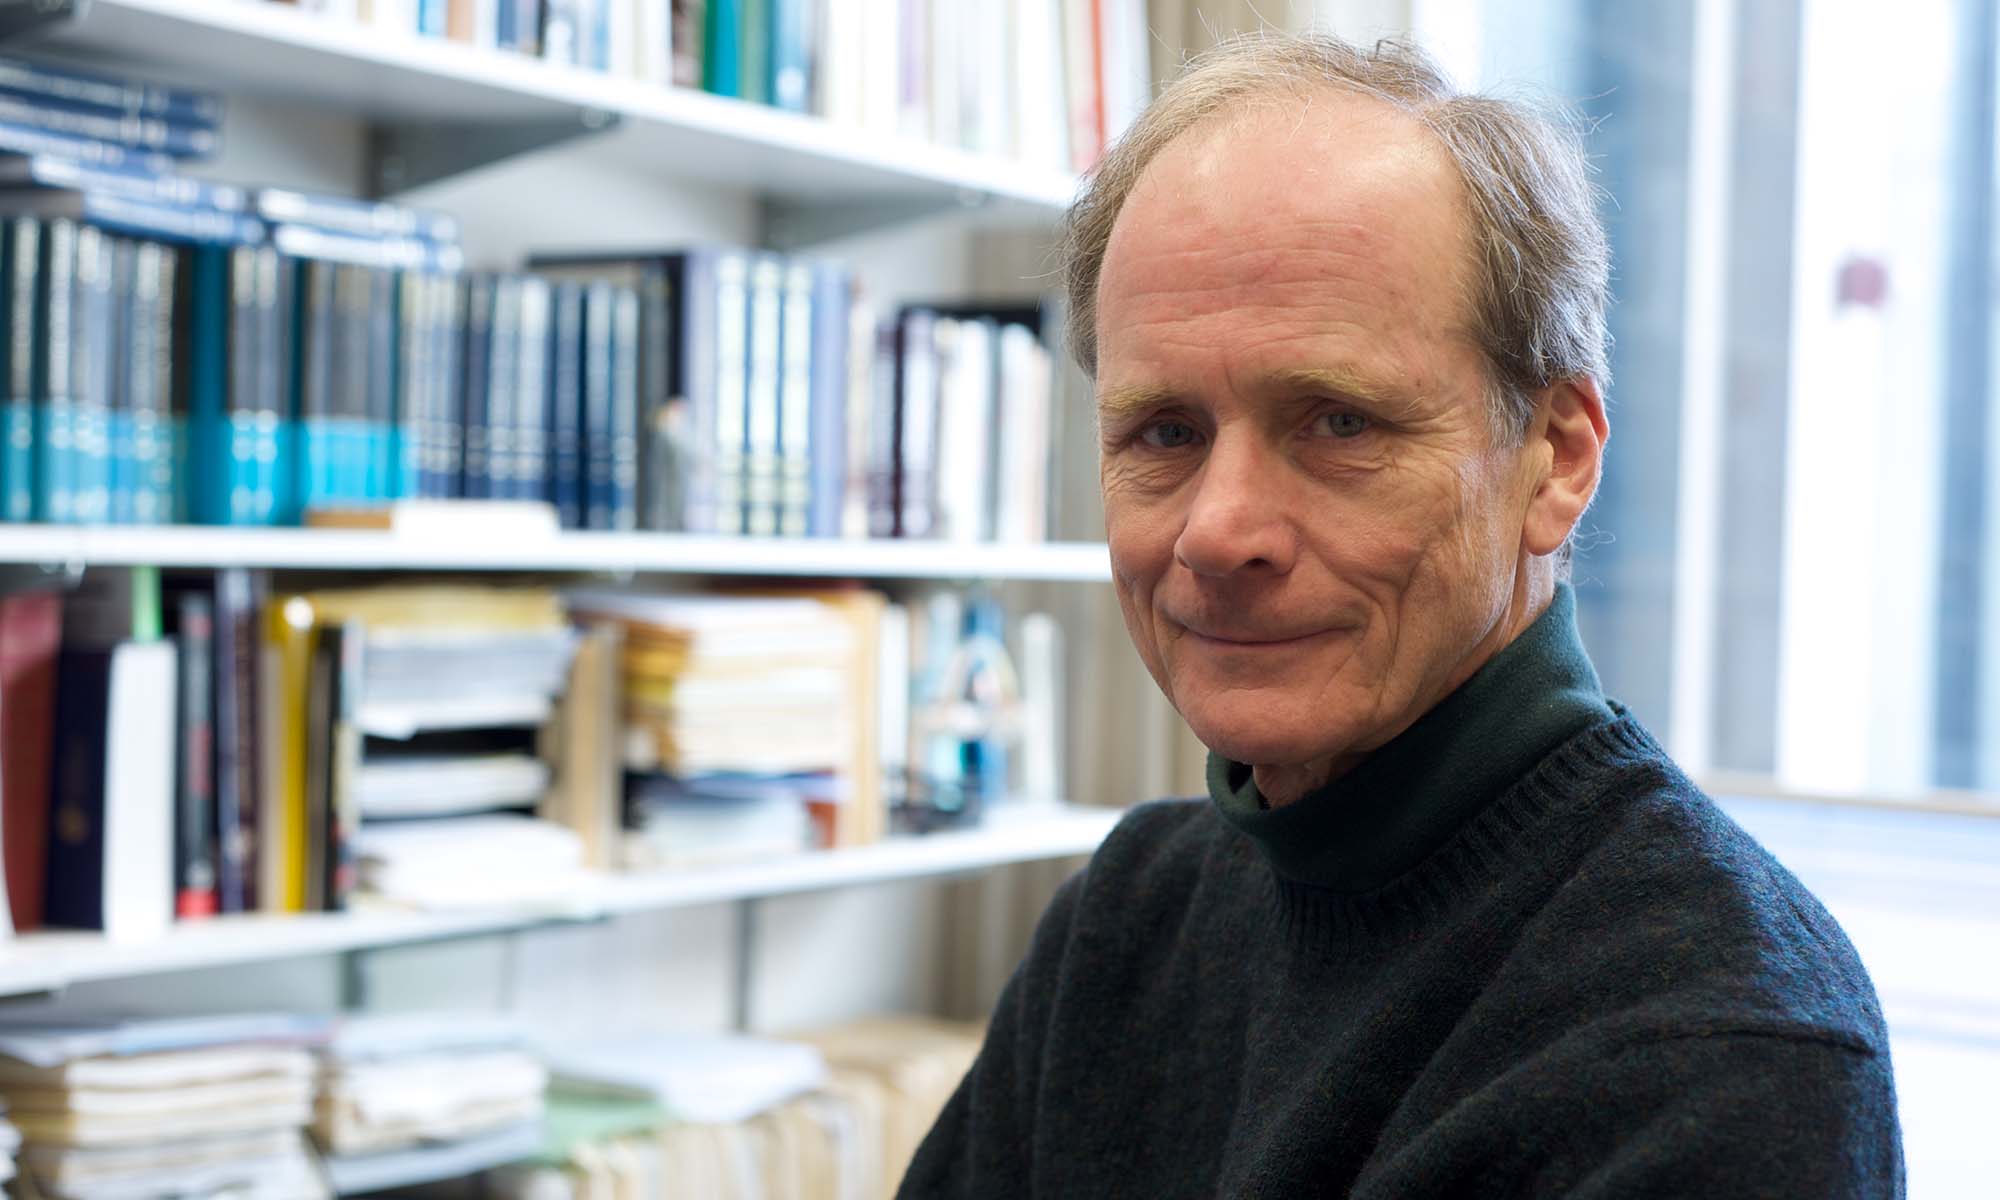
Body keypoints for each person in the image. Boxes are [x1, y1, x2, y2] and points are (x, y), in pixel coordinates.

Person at [899, 32, 1903, 1199]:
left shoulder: (1714, 1044)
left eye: (1338, 423)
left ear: (1555, 458)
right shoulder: (1126, 920)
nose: (1217, 533)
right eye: (1164, 434)